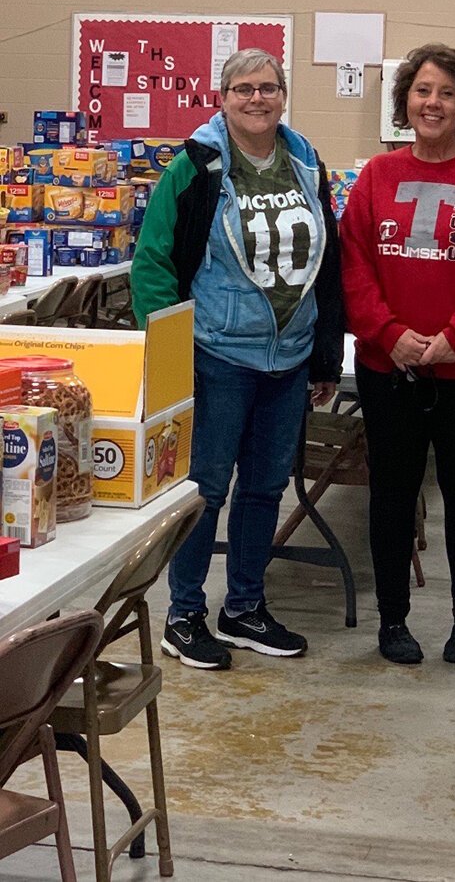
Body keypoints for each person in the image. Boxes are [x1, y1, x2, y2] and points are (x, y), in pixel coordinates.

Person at [132, 48, 344, 670]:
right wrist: (165, 354)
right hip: (217, 355)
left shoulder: (305, 161)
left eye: (269, 87)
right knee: (204, 489)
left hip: (290, 357)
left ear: (284, 95)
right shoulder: (195, 166)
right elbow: (154, 262)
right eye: (243, 88)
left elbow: (327, 262)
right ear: (222, 98)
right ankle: (185, 614)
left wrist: (325, 354)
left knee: (265, 488)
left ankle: (245, 606)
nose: (257, 98)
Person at [340, 44, 455, 666]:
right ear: (405, 102)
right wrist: (388, 332)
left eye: (446, 92)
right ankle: (392, 621)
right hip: (388, 368)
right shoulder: (376, 177)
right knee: (392, 493)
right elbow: (355, 266)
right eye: (422, 91)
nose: (432, 103)